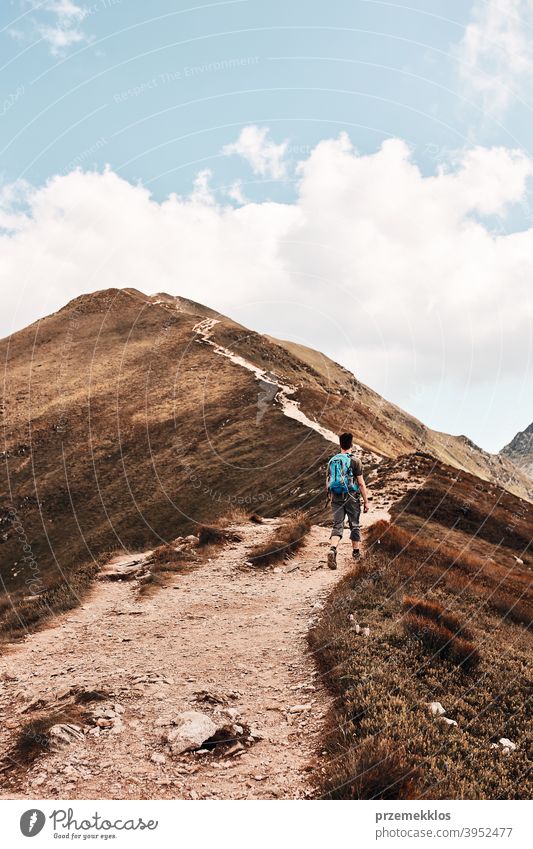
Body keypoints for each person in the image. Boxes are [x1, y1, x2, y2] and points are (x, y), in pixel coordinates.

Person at [326, 432, 369, 569]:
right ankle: (356, 553)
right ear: (351, 444)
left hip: (336, 497)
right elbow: (361, 483)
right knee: (354, 524)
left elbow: (328, 482)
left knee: (337, 525)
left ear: (340, 444)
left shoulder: (332, 461)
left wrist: (330, 497)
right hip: (351, 497)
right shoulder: (355, 461)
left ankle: (333, 549)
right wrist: (366, 501)